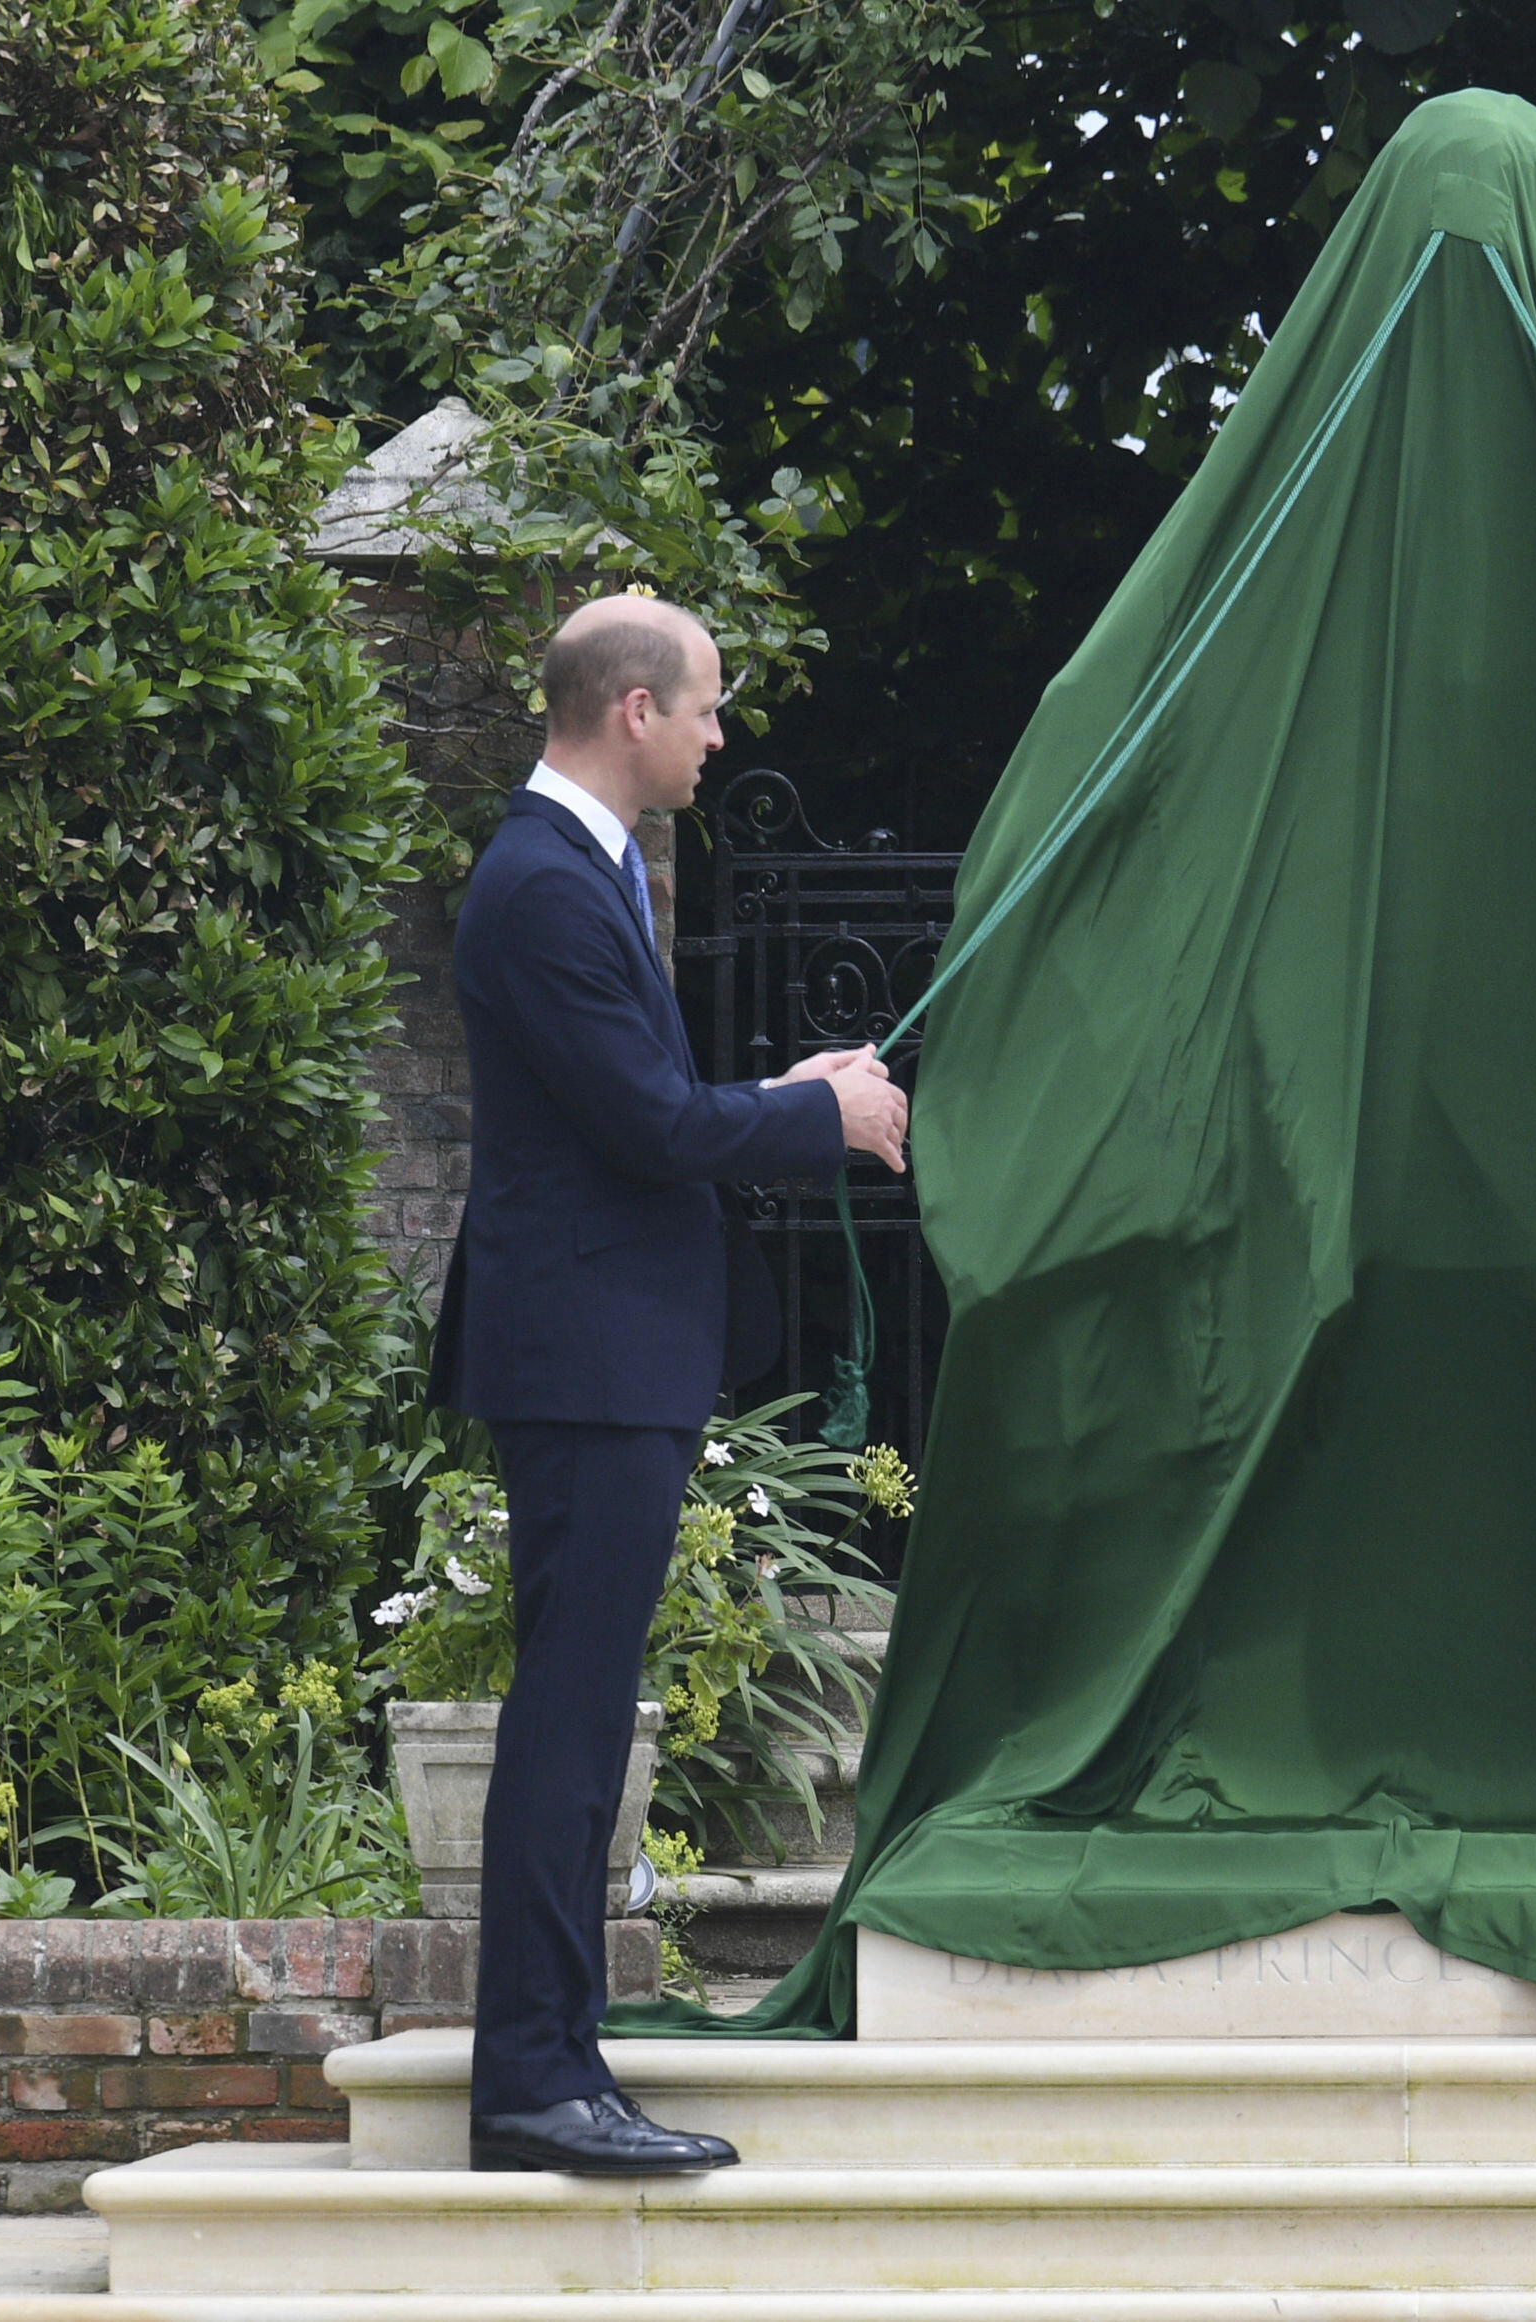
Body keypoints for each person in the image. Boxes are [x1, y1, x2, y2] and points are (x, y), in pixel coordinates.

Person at [430, 594, 908, 2174]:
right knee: (569, 1720)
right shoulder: (542, 884)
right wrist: (813, 1118)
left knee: (579, 1713)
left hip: (603, 1349)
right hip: (582, 1357)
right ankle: (533, 2086)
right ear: (631, 710)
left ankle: (560, 2064)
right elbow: (646, 1125)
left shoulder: (588, 867)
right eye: (706, 706)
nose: (719, 733)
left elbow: (634, 1107)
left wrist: (786, 1089)